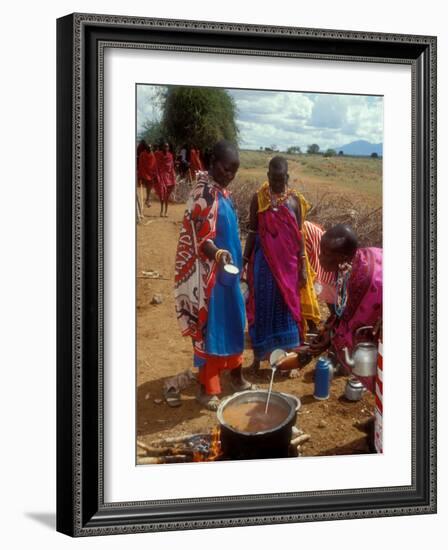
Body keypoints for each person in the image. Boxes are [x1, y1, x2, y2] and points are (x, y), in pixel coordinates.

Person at [174, 140, 254, 410]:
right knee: (212, 331)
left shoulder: (222, 192)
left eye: (234, 170)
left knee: (234, 322)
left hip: (227, 276)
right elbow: (200, 239)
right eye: (226, 168)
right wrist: (218, 254)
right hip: (209, 279)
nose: (230, 175)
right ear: (212, 162)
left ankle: (236, 377)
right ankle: (206, 389)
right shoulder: (203, 193)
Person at [243, 156, 320, 372]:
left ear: (287, 177)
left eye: (281, 179)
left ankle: (291, 361)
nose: (277, 183)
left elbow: (300, 238)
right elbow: (252, 232)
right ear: (268, 176)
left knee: (288, 310)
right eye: (273, 179)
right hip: (263, 265)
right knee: (261, 308)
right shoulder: (258, 199)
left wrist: (303, 268)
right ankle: (258, 360)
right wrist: (244, 260)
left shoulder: (295, 202)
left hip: (289, 268)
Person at [308, 224, 383, 392]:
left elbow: (354, 325)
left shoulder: (365, 280)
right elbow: (344, 308)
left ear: (341, 257)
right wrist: (328, 329)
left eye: (325, 254)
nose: (319, 257)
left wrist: (329, 339)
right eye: (321, 251)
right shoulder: (349, 264)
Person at [155, 141, 176, 217]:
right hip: (161, 176)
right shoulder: (158, 155)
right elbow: (156, 165)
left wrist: (173, 176)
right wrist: (157, 176)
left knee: (167, 196)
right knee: (162, 194)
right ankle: (161, 210)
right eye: (165, 146)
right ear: (162, 147)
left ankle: (166, 211)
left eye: (167, 146)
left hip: (169, 177)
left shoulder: (170, 156)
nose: (166, 148)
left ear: (169, 148)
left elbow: (172, 167)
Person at [137, 141, 158, 208]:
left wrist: (154, 173)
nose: (150, 149)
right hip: (143, 172)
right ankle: (141, 203)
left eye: (151, 147)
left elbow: (154, 165)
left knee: (149, 187)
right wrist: (140, 175)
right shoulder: (142, 154)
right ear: (146, 148)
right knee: (142, 187)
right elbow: (140, 164)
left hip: (150, 173)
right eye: (148, 147)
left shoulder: (152, 155)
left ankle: (147, 200)